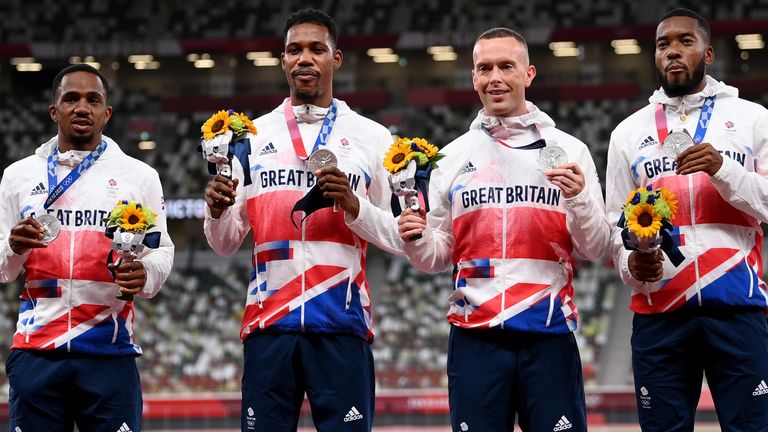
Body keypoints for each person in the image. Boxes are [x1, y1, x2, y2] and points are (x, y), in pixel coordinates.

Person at [397, 28, 609, 432]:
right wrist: (416, 238)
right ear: (474, 78)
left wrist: (580, 197)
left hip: (548, 335)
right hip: (475, 337)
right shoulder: (452, 156)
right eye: (484, 68)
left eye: (506, 66)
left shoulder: (571, 150)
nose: (495, 77)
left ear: (529, 74)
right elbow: (436, 257)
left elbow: (596, 247)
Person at [203, 8, 402, 432]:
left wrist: (353, 206)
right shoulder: (248, 138)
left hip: (342, 323)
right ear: (283, 60)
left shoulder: (373, 137)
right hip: (269, 324)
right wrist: (216, 211)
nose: (304, 58)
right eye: (294, 50)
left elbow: (400, 238)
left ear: (337, 58)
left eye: (316, 49)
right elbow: (224, 243)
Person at [605, 8, 768, 431]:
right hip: (659, 313)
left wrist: (724, 170)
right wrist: (629, 264)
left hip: (737, 309)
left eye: (685, 41)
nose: (673, 52)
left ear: (708, 53)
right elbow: (612, 225)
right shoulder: (627, 133)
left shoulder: (752, 119)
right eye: (663, 45)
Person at [0, 64, 174, 431]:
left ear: (106, 113)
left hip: (109, 353)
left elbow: (161, 251)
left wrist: (144, 274)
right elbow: (4, 269)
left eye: (93, 100)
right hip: (37, 352)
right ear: (54, 110)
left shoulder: (139, 176)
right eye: (71, 99)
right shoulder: (18, 176)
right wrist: (12, 246)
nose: (82, 107)